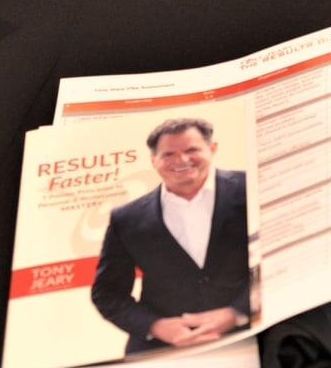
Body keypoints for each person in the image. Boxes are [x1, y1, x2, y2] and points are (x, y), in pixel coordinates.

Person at [91, 117, 252, 353]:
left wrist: (238, 312)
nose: (182, 160)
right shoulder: (126, 218)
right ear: (153, 160)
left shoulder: (252, 186)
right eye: (168, 154)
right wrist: (155, 326)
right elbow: (107, 293)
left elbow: (287, 259)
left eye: (191, 150)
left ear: (212, 148)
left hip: (252, 331)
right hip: (160, 346)